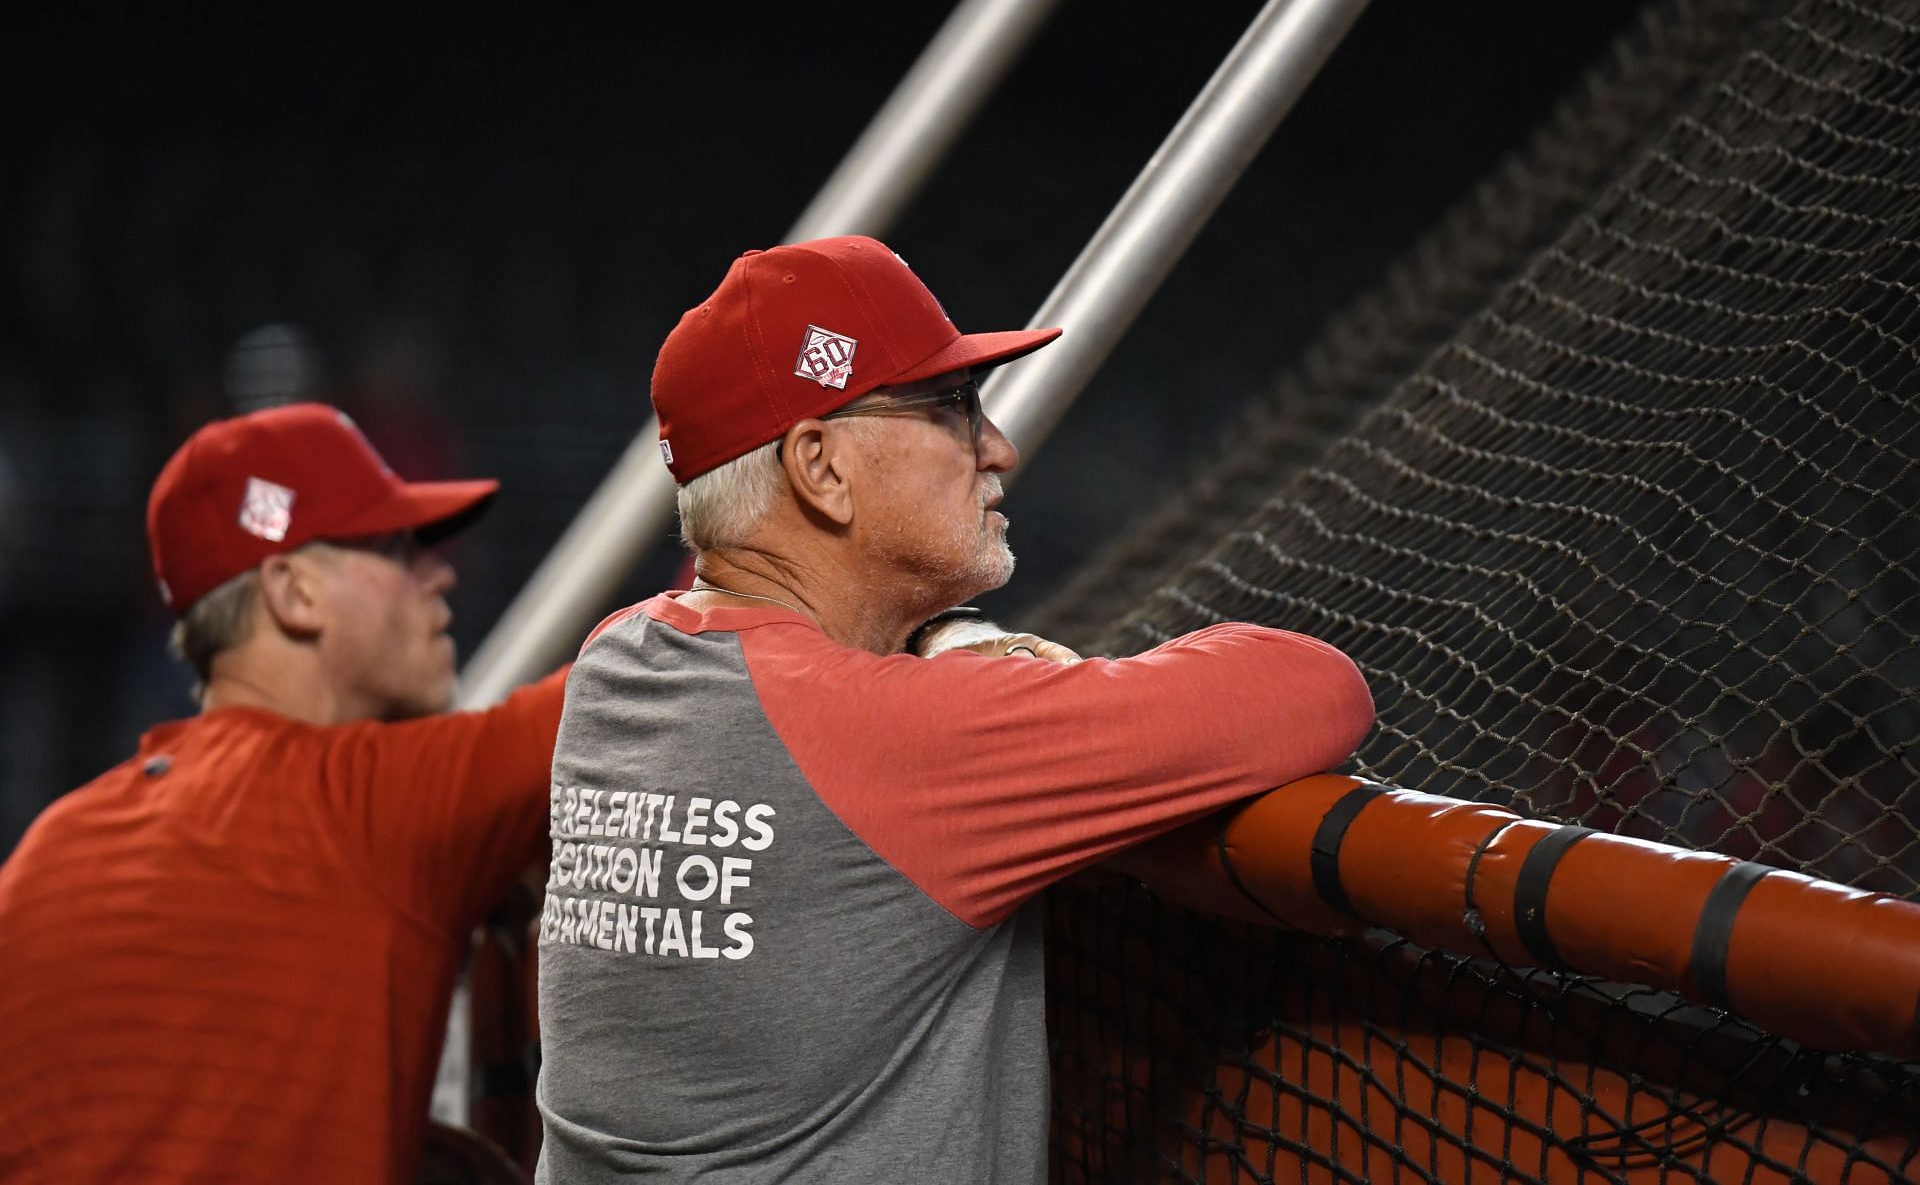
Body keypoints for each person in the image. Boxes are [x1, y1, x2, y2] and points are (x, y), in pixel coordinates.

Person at [533, 236, 1375, 1183]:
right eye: (951, 408)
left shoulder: (618, 663)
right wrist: (967, 650)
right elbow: (1310, 687)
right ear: (822, 468)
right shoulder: (895, 733)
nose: (999, 447)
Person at [0, 403, 568, 1183]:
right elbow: (673, 675)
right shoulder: (370, 805)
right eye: (398, 548)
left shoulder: (45, 854)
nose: (442, 573)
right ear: (293, 593)